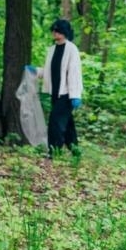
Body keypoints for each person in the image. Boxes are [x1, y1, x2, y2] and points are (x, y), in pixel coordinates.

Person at [40, 18, 83, 156]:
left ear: (64, 32)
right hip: (55, 93)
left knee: (55, 122)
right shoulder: (51, 50)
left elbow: (74, 73)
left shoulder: (71, 49)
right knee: (67, 124)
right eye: (53, 30)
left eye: (57, 30)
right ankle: (75, 150)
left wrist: (75, 95)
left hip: (66, 95)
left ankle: (54, 152)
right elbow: (49, 71)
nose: (54, 33)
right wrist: (35, 71)